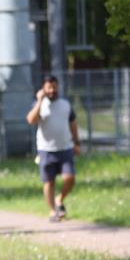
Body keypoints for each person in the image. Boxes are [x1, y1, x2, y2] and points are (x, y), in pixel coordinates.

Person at [26, 75, 81, 222]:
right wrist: (39, 101)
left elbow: (73, 124)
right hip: (46, 149)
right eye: (49, 87)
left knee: (70, 178)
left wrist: (76, 143)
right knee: (49, 182)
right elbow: (31, 120)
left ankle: (60, 199)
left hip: (65, 148)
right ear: (43, 89)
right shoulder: (39, 105)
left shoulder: (65, 104)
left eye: (54, 87)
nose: (52, 90)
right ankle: (52, 211)